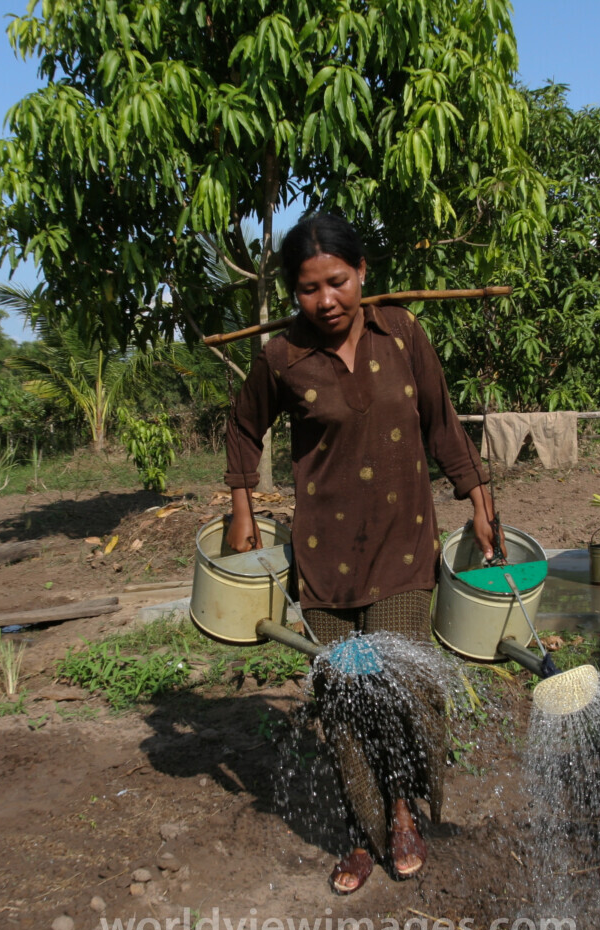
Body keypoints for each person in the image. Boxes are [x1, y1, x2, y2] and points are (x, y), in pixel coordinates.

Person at [223, 212, 497, 894]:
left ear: (363, 272)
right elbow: (244, 425)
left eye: (338, 282)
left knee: (402, 687)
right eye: (309, 289)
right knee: (343, 699)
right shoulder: (281, 357)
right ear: (294, 292)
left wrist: (478, 496)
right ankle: (362, 833)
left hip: (405, 544)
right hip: (325, 558)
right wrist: (240, 504)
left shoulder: (402, 332)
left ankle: (403, 810)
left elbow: (440, 420)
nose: (326, 301)